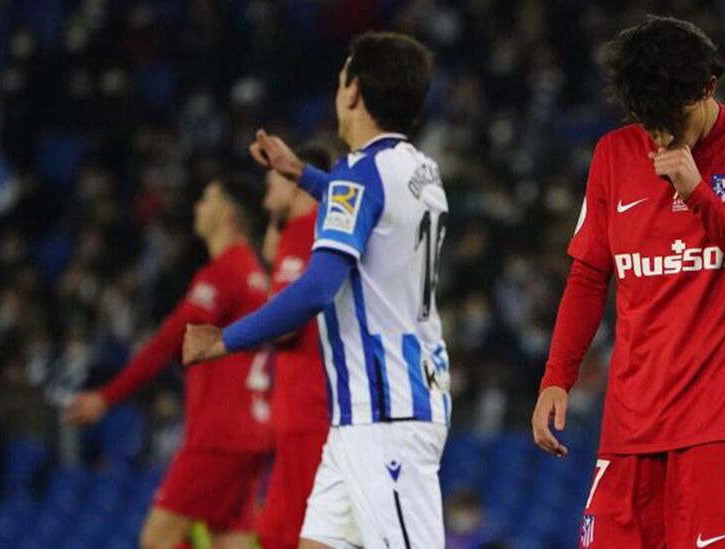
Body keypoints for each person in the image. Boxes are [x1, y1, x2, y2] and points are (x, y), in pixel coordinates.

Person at [530, 16, 725, 549]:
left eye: (671, 120)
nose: (659, 138)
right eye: (647, 122)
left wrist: (700, 196)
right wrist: (556, 377)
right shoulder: (614, 154)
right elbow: (588, 275)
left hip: (720, 427)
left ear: (708, 87)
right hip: (630, 425)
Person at [182, 32, 451, 549]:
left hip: (386, 414)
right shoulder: (421, 171)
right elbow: (368, 204)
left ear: (354, 91)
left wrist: (224, 340)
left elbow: (317, 289)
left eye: (341, 78)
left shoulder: (359, 176)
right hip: (363, 417)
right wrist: (300, 174)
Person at [64, 177, 273, 549]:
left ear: (227, 214)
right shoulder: (255, 275)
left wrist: (106, 397)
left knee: (157, 540)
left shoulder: (224, 273)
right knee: (231, 540)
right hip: (250, 432)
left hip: (219, 435)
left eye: (206, 200)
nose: (197, 208)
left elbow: (166, 342)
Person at [254, 145, 333, 549]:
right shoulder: (318, 228)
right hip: (307, 407)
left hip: (308, 407)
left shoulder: (305, 230)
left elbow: (284, 327)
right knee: (278, 533)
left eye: (273, 183)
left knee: (301, 534)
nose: (266, 194)